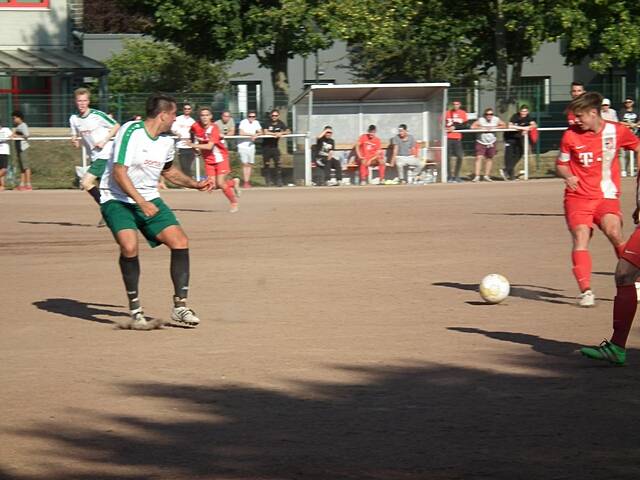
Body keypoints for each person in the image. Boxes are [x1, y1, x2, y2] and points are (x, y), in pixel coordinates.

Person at [98, 94, 215, 329]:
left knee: (180, 241)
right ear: (163, 115)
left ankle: (180, 306)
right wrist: (140, 202)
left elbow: (169, 172)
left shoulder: (166, 142)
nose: (176, 119)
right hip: (117, 198)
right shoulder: (132, 131)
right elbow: (119, 172)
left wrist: (195, 184)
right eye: (173, 115)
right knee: (129, 246)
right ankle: (136, 309)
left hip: (149, 198)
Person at [556, 91, 640, 308]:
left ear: (593, 113)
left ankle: (635, 281)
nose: (576, 120)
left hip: (606, 195)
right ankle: (586, 291)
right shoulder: (570, 135)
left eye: (580, 116)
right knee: (581, 236)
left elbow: (638, 146)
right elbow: (561, 163)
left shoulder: (617, 130)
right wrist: (567, 175)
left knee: (614, 232)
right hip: (578, 197)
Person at [69, 88, 120, 226]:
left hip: (106, 154)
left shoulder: (97, 115)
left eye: (85, 100)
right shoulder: (74, 119)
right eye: (79, 101)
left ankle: (107, 211)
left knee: (86, 182)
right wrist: (75, 140)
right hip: (94, 156)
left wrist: (105, 140)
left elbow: (116, 126)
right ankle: (114, 212)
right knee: (108, 188)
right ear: (75, 102)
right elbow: (75, 136)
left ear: (89, 101)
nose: (82, 103)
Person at [188, 106, 240, 213]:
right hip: (208, 160)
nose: (204, 117)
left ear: (211, 116)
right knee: (212, 185)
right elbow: (191, 132)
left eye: (207, 115)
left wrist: (193, 145)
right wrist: (193, 145)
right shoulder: (195, 126)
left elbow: (209, 146)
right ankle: (233, 183)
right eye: (202, 115)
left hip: (220, 158)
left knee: (220, 183)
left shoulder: (214, 128)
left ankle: (234, 203)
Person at [501, 105, 537, 181]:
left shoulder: (528, 117)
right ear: (519, 111)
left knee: (519, 153)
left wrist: (528, 129)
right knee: (509, 156)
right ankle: (510, 174)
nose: (523, 113)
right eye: (522, 111)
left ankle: (507, 170)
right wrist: (523, 128)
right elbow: (510, 126)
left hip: (518, 139)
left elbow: (534, 125)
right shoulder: (515, 116)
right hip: (510, 138)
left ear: (527, 112)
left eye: (525, 111)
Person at [471, 108, 506, 182]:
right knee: (479, 158)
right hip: (481, 142)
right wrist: (483, 128)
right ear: (485, 115)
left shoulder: (496, 119)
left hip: (491, 142)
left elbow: (504, 125)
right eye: (487, 114)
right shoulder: (481, 120)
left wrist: (494, 127)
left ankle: (486, 176)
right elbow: (473, 126)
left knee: (489, 158)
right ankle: (477, 176)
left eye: (491, 114)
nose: (489, 116)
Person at [262, 109, 291, 187]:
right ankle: (268, 181)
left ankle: (279, 181)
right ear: (270, 116)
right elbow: (265, 132)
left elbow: (288, 131)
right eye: (273, 115)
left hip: (275, 147)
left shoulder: (280, 123)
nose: (274, 117)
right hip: (266, 147)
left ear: (278, 116)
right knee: (266, 165)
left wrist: (281, 133)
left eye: (276, 115)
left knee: (278, 164)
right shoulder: (267, 123)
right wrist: (274, 134)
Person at [170, 103, 197, 177]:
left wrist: (194, 145)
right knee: (183, 166)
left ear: (191, 110)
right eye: (185, 109)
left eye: (188, 109)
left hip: (190, 146)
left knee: (189, 166)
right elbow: (172, 129)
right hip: (180, 146)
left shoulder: (193, 121)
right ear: (183, 110)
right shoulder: (178, 119)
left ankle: (189, 182)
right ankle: (186, 182)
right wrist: (176, 133)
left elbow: (195, 133)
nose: (187, 110)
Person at [237, 111, 262, 188]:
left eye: (253, 117)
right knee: (245, 164)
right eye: (250, 116)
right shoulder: (243, 122)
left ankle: (247, 181)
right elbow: (241, 133)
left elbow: (261, 132)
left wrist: (256, 135)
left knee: (250, 164)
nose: (252, 118)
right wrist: (251, 134)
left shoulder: (256, 122)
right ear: (247, 117)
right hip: (242, 146)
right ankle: (245, 182)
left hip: (251, 146)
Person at [445, 100, 468, 182]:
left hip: (457, 138)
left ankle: (456, 175)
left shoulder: (463, 113)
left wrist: (455, 127)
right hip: (448, 138)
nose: (455, 106)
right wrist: (445, 129)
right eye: (454, 104)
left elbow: (465, 125)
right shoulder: (447, 113)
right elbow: (441, 124)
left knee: (460, 156)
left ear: (460, 105)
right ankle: (449, 176)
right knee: (447, 157)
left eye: (457, 104)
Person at [11, 110, 31, 191]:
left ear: (19, 118)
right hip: (19, 149)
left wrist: (17, 135)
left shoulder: (23, 125)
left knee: (25, 166)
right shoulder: (18, 126)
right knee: (22, 167)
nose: (14, 120)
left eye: (14, 118)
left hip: (23, 148)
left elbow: (27, 135)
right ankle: (22, 184)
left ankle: (28, 184)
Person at [619, 97, 639, 177]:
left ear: (632, 102)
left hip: (635, 135)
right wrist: (629, 124)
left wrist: (636, 125)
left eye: (629, 102)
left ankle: (633, 169)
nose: (628, 103)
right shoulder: (622, 111)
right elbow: (620, 121)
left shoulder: (637, 111)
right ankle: (623, 170)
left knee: (635, 153)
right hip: (624, 135)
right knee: (623, 153)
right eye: (626, 102)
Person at [0, 118, 11, 191]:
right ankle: (2, 185)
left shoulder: (6, 130)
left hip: (4, 152)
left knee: (4, 169)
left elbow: (12, 136)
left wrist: (8, 138)